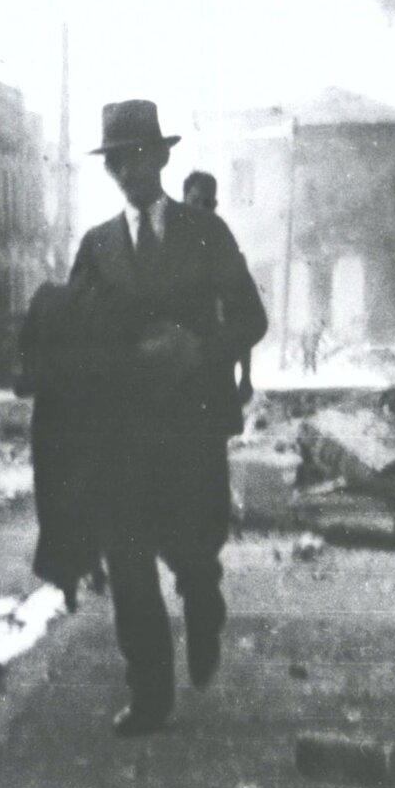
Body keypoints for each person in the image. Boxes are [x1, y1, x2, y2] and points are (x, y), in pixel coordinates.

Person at [71, 102, 268, 736]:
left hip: (192, 428)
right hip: (123, 436)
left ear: (162, 157)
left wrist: (197, 349)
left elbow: (250, 318)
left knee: (192, 553)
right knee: (128, 563)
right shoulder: (96, 248)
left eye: (138, 155)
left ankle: (204, 605)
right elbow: (74, 340)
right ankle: (150, 693)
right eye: (116, 161)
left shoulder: (205, 234)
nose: (128, 170)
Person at [180, 170, 254, 410]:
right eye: (194, 201)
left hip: (215, 367)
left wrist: (246, 376)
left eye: (208, 203)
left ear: (215, 205)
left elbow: (242, 315)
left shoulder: (225, 248)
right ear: (184, 200)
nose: (201, 209)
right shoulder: (168, 245)